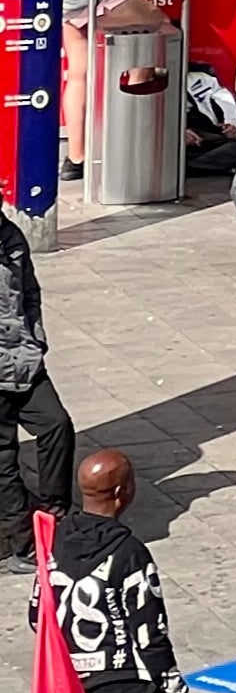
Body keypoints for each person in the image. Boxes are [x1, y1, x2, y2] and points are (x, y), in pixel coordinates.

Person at [41, 448, 186, 693]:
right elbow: (150, 632)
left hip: (75, 691)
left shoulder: (54, 543)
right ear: (122, 492)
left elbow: (38, 615)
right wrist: (175, 692)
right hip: (127, 692)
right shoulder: (130, 553)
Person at [0, 204, 76, 548]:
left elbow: (30, 293)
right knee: (3, 457)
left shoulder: (11, 236)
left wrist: (36, 338)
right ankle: (23, 541)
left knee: (56, 425)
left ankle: (55, 511)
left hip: (24, 360)